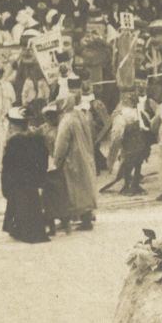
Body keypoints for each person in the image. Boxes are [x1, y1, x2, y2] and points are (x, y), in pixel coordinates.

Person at [0, 109, 51, 244]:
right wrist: (40, 178)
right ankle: (33, 230)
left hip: (17, 182)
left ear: (14, 125)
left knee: (19, 206)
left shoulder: (13, 142)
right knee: (33, 206)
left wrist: (5, 184)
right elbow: (43, 161)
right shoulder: (37, 139)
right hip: (32, 182)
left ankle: (20, 230)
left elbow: (7, 166)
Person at [50, 96, 98, 231]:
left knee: (73, 190)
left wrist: (57, 160)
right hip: (85, 156)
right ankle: (86, 218)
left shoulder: (66, 121)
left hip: (72, 159)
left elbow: (61, 143)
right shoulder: (81, 116)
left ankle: (74, 219)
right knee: (85, 189)